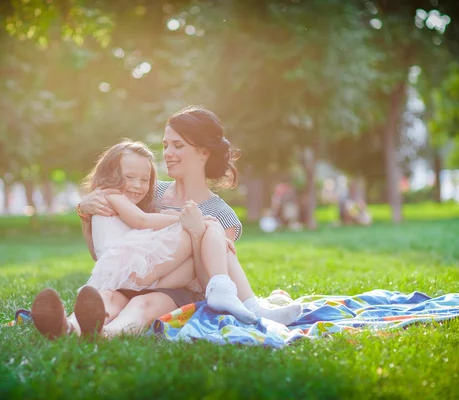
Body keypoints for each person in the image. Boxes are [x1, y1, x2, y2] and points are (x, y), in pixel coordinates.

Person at [63, 106, 301, 338]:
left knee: (145, 303)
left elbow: (211, 283)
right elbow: (109, 252)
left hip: (177, 292)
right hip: (132, 282)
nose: (167, 153)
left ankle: (106, 334)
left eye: (178, 145)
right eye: (166, 145)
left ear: (203, 152)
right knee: (106, 297)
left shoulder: (219, 214)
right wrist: (86, 214)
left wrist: (197, 235)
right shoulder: (146, 190)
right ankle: (67, 327)